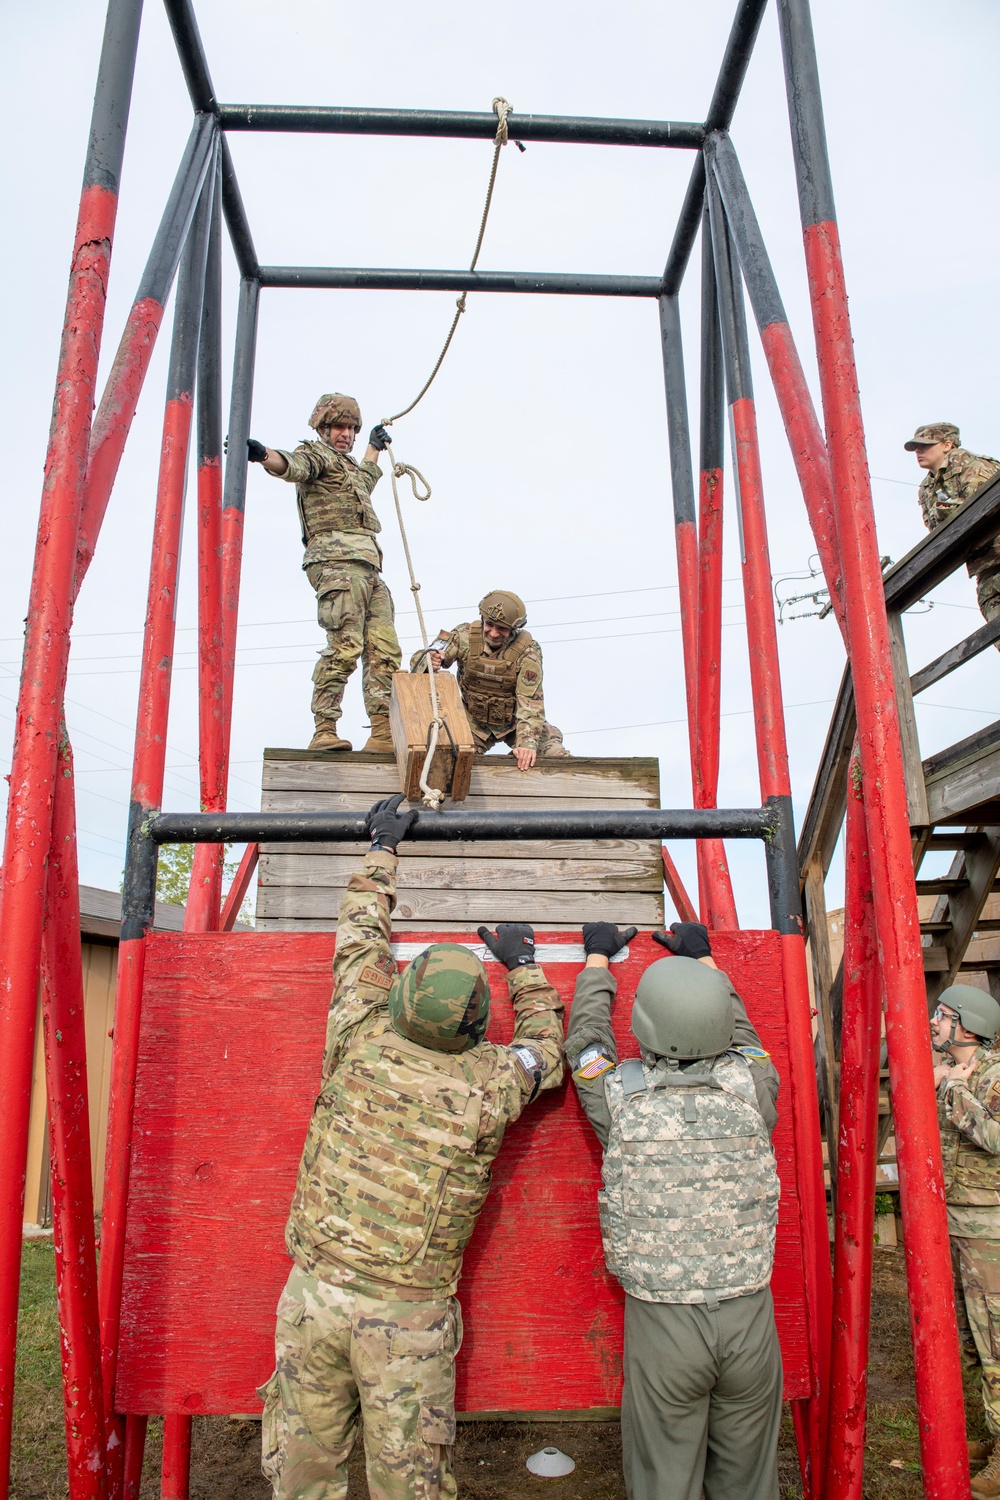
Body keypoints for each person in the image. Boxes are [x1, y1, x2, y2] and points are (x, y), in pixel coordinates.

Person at [258, 793, 565, 1500]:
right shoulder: (490, 1082)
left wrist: (383, 848)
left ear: (402, 998)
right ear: (475, 1025)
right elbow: (545, 1052)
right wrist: (522, 966)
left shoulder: (357, 1036)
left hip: (313, 1295)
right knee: (412, 1489)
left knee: (303, 1481)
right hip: (408, 1320)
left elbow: (359, 938)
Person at [567, 918, 782, 1500]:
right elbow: (744, 1033)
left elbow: (586, 1044)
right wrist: (705, 960)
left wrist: (597, 962)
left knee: (664, 1482)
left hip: (664, 1324)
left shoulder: (619, 1099)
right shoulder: (753, 1084)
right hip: (750, 1318)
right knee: (751, 1484)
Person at [248, 393, 401, 752]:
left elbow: (363, 480)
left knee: (384, 649)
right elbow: (292, 465)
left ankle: (381, 731)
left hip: (368, 566)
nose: (345, 434)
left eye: (351, 428)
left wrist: (373, 449)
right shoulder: (317, 456)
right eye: (338, 427)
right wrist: (262, 455)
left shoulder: (347, 467)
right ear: (323, 428)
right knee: (345, 646)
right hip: (336, 566)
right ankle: (325, 728)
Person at [931, 984, 1000, 1498]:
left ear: (968, 1026)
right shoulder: (949, 1075)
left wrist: (954, 1090)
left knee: (996, 1341)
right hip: (954, 1223)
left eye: (943, 1015)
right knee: (972, 1343)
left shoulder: (995, 1075)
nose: (934, 1022)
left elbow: (996, 1139)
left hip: (988, 1232)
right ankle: (990, 1435)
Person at [409, 590, 569, 769]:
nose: (493, 633)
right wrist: (430, 660)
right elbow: (418, 662)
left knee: (555, 755)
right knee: (447, 761)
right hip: (473, 722)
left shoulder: (528, 653)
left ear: (514, 629)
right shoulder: (464, 636)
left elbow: (531, 703)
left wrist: (527, 744)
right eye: (490, 624)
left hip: (516, 723)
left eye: (502, 628)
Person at [906, 423, 1000, 636]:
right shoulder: (926, 488)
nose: (918, 452)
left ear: (947, 444)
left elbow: (985, 508)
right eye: (916, 448)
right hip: (986, 567)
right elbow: (938, 533)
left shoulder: (969, 464)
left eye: (925, 446)